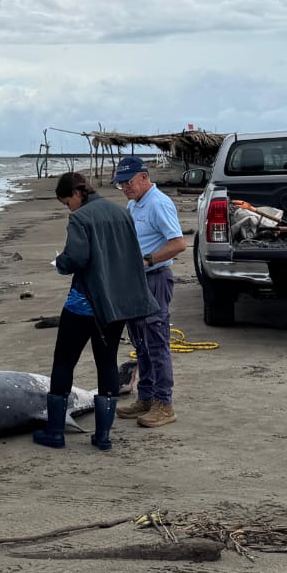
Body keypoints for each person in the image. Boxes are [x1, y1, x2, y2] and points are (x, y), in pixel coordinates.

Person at [33, 171, 157, 451]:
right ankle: (103, 436)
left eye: (67, 202)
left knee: (64, 362)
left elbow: (77, 257)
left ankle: (55, 432)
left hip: (83, 304)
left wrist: (61, 263)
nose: (69, 208)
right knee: (107, 364)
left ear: (76, 194)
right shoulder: (120, 212)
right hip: (114, 305)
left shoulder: (80, 218)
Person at [112, 156, 188, 429]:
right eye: (120, 183)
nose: (125, 188)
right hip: (136, 282)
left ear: (144, 177)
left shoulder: (158, 203)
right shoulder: (134, 204)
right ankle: (145, 398)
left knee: (156, 343)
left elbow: (178, 243)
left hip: (155, 279)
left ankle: (164, 404)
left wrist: (147, 260)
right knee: (140, 343)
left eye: (128, 182)